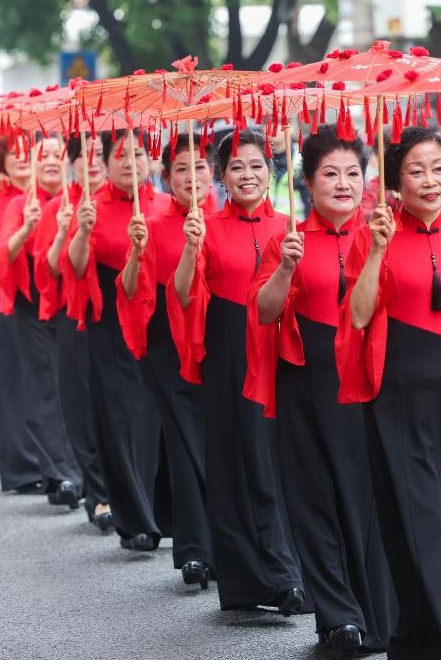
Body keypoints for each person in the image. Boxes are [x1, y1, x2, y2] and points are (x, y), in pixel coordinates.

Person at [338, 126, 441, 658]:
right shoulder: (370, 235)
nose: (430, 180)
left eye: (438, 168)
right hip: (399, 399)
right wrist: (378, 251)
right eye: (415, 170)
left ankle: (425, 639)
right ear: (395, 180)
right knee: (425, 523)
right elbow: (358, 315)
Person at [246, 125, 394, 654]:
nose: (344, 183)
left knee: (368, 498)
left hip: (370, 379)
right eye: (330, 174)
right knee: (314, 501)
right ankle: (338, 616)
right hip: (308, 380)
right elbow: (263, 312)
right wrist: (284, 267)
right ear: (308, 183)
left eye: (353, 173)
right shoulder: (286, 240)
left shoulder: (381, 232)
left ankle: (379, 612)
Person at [169, 129, 304, 613]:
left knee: (278, 462)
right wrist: (189, 249)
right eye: (237, 167)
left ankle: (292, 573)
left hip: (281, 350)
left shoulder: (291, 225)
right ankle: (250, 579)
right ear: (221, 177)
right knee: (235, 461)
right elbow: (183, 296)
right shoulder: (204, 226)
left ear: (272, 171)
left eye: (257, 165)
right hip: (230, 350)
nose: (248, 175)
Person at [61, 128, 168, 550]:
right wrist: (83, 233)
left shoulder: (162, 205)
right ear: (104, 163)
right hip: (109, 321)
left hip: (155, 320)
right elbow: (75, 265)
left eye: (138, 153)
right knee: (118, 419)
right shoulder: (91, 207)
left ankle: (155, 506)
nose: (130, 161)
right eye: (120, 155)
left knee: (150, 418)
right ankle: (134, 518)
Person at [116, 135, 216, 587]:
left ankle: (231, 542)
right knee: (184, 443)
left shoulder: (228, 219)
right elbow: (132, 287)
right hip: (170, 344)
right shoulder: (151, 224)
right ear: (165, 176)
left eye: (199, 167)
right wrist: (137, 251)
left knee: (220, 443)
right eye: (181, 169)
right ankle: (194, 549)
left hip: (222, 341)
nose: (192, 177)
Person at [0, 136, 83, 506]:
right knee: (43, 391)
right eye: (45, 156)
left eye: (58, 154)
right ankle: (62, 472)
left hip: (72, 304)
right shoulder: (21, 204)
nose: (52, 161)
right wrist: (25, 229)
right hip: (32, 306)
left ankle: (77, 469)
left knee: (73, 389)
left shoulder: (81, 200)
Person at [34, 134, 112, 530]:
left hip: (118, 317)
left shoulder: (126, 203)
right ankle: (97, 494)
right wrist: (65, 231)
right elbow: (46, 271)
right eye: (86, 156)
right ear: (74, 163)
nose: (94, 163)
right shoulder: (57, 207)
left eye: (101, 155)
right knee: (81, 408)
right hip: (73, 314)